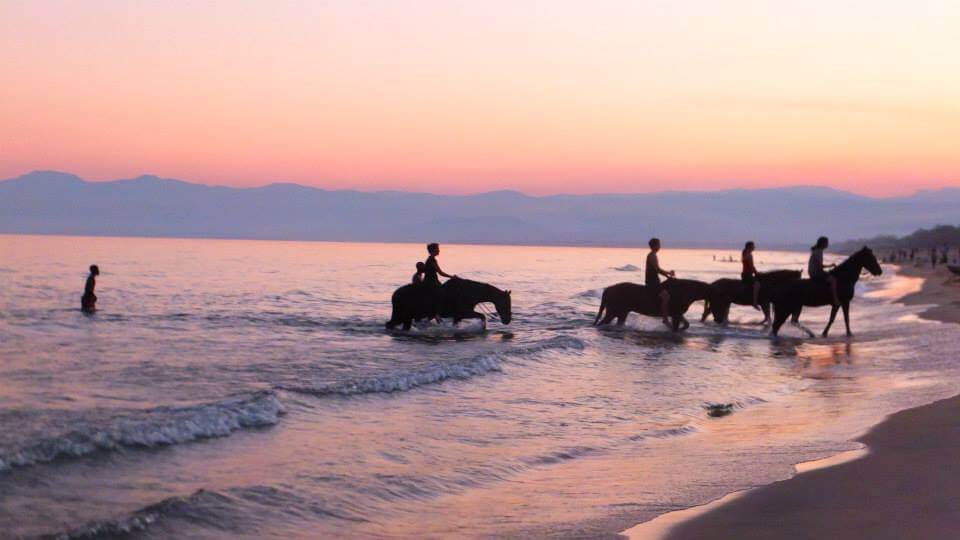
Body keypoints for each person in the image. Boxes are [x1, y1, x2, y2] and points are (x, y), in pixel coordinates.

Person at [645, 238, 676, 328]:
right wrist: (668, 273)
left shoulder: (653, 255)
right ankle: (665, 319)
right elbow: (657, 269)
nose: (660, 246)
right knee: (666, 296)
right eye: (659, 245)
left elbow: (657, 270)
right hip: (652, 282)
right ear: (655, 246)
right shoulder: (652, 256)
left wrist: (667, 276)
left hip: (655, 280)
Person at [423, 243, 456, 322]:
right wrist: (451, 277)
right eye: (437, 249)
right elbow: (440, 272)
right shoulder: (431, 260)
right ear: (433, 250)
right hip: (431, 283)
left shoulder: (431, 259)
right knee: (442, 295)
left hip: (434, 281)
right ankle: (437, 314)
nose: (439, 251)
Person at [808, 237, 839, 306]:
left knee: (830, 274)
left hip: (814, 271)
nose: (827, 244)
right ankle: (835, 299)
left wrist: (829, 267)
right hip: (815, 272)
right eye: (827, 243)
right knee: (833, 280)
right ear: (823, 243)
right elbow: (820, 266)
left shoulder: (817, 250)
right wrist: (830, 265)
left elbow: (819, 266)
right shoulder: (818, 251)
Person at [742, 241, 761, 310]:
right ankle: (755, 302)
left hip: (746, 274)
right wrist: (756, 273)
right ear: (749, 247)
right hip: (747, 275)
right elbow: (751, 266)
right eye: (753, 246)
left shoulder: (745, 253)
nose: (754, 247)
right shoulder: (749, 255)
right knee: (757, 285)